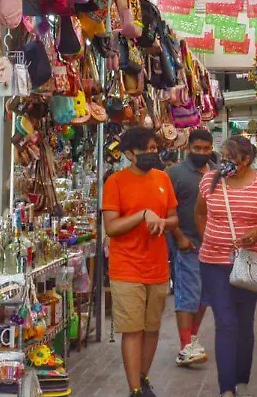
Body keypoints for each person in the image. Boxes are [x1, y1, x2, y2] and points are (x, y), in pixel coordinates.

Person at [195, 136, 257, 397]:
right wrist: (209, 239)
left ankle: (241, 378)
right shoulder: (209, 181)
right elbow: (200, 214)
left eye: (231, 157)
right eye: (222, 155)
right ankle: (227, 390)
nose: (225, 162)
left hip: (249, 262)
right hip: (213, 263)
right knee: (225, 322)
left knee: (244, 322)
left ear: (246, 160)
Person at [102, 127, 180, 397]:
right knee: (133, 330)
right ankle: (134, 389)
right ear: (128, 154)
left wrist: (162, 222)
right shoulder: (115, 182)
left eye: (154, 148)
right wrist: (142, 215)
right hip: (126, 269)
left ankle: (143, 379)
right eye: (146, 149)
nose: (152, 153)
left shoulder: (163, 179)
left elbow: (173, 219)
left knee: (152, 329)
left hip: (158, 266)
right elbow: (111, 227)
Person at [166, 128, 214, 367]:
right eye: (197, 148)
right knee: (188, 297)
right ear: (188, 148)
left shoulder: (217, 173)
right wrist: (179, 236)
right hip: (188, 244)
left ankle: (192, 339)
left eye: (206, 149)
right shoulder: (174, 173)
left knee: (205, 297)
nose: (202, 153)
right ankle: (185, 346)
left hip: (213, 247)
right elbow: (166, 208)